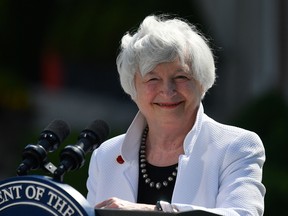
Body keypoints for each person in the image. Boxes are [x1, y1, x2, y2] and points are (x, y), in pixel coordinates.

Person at [86, 14, 266, 216]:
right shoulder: (106, 156)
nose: (168, 90)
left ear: (202, 82)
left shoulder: (235, 147)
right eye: (152, 79)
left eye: (181, 76)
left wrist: (151, 211)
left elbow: (243, 213)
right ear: (133, 87)